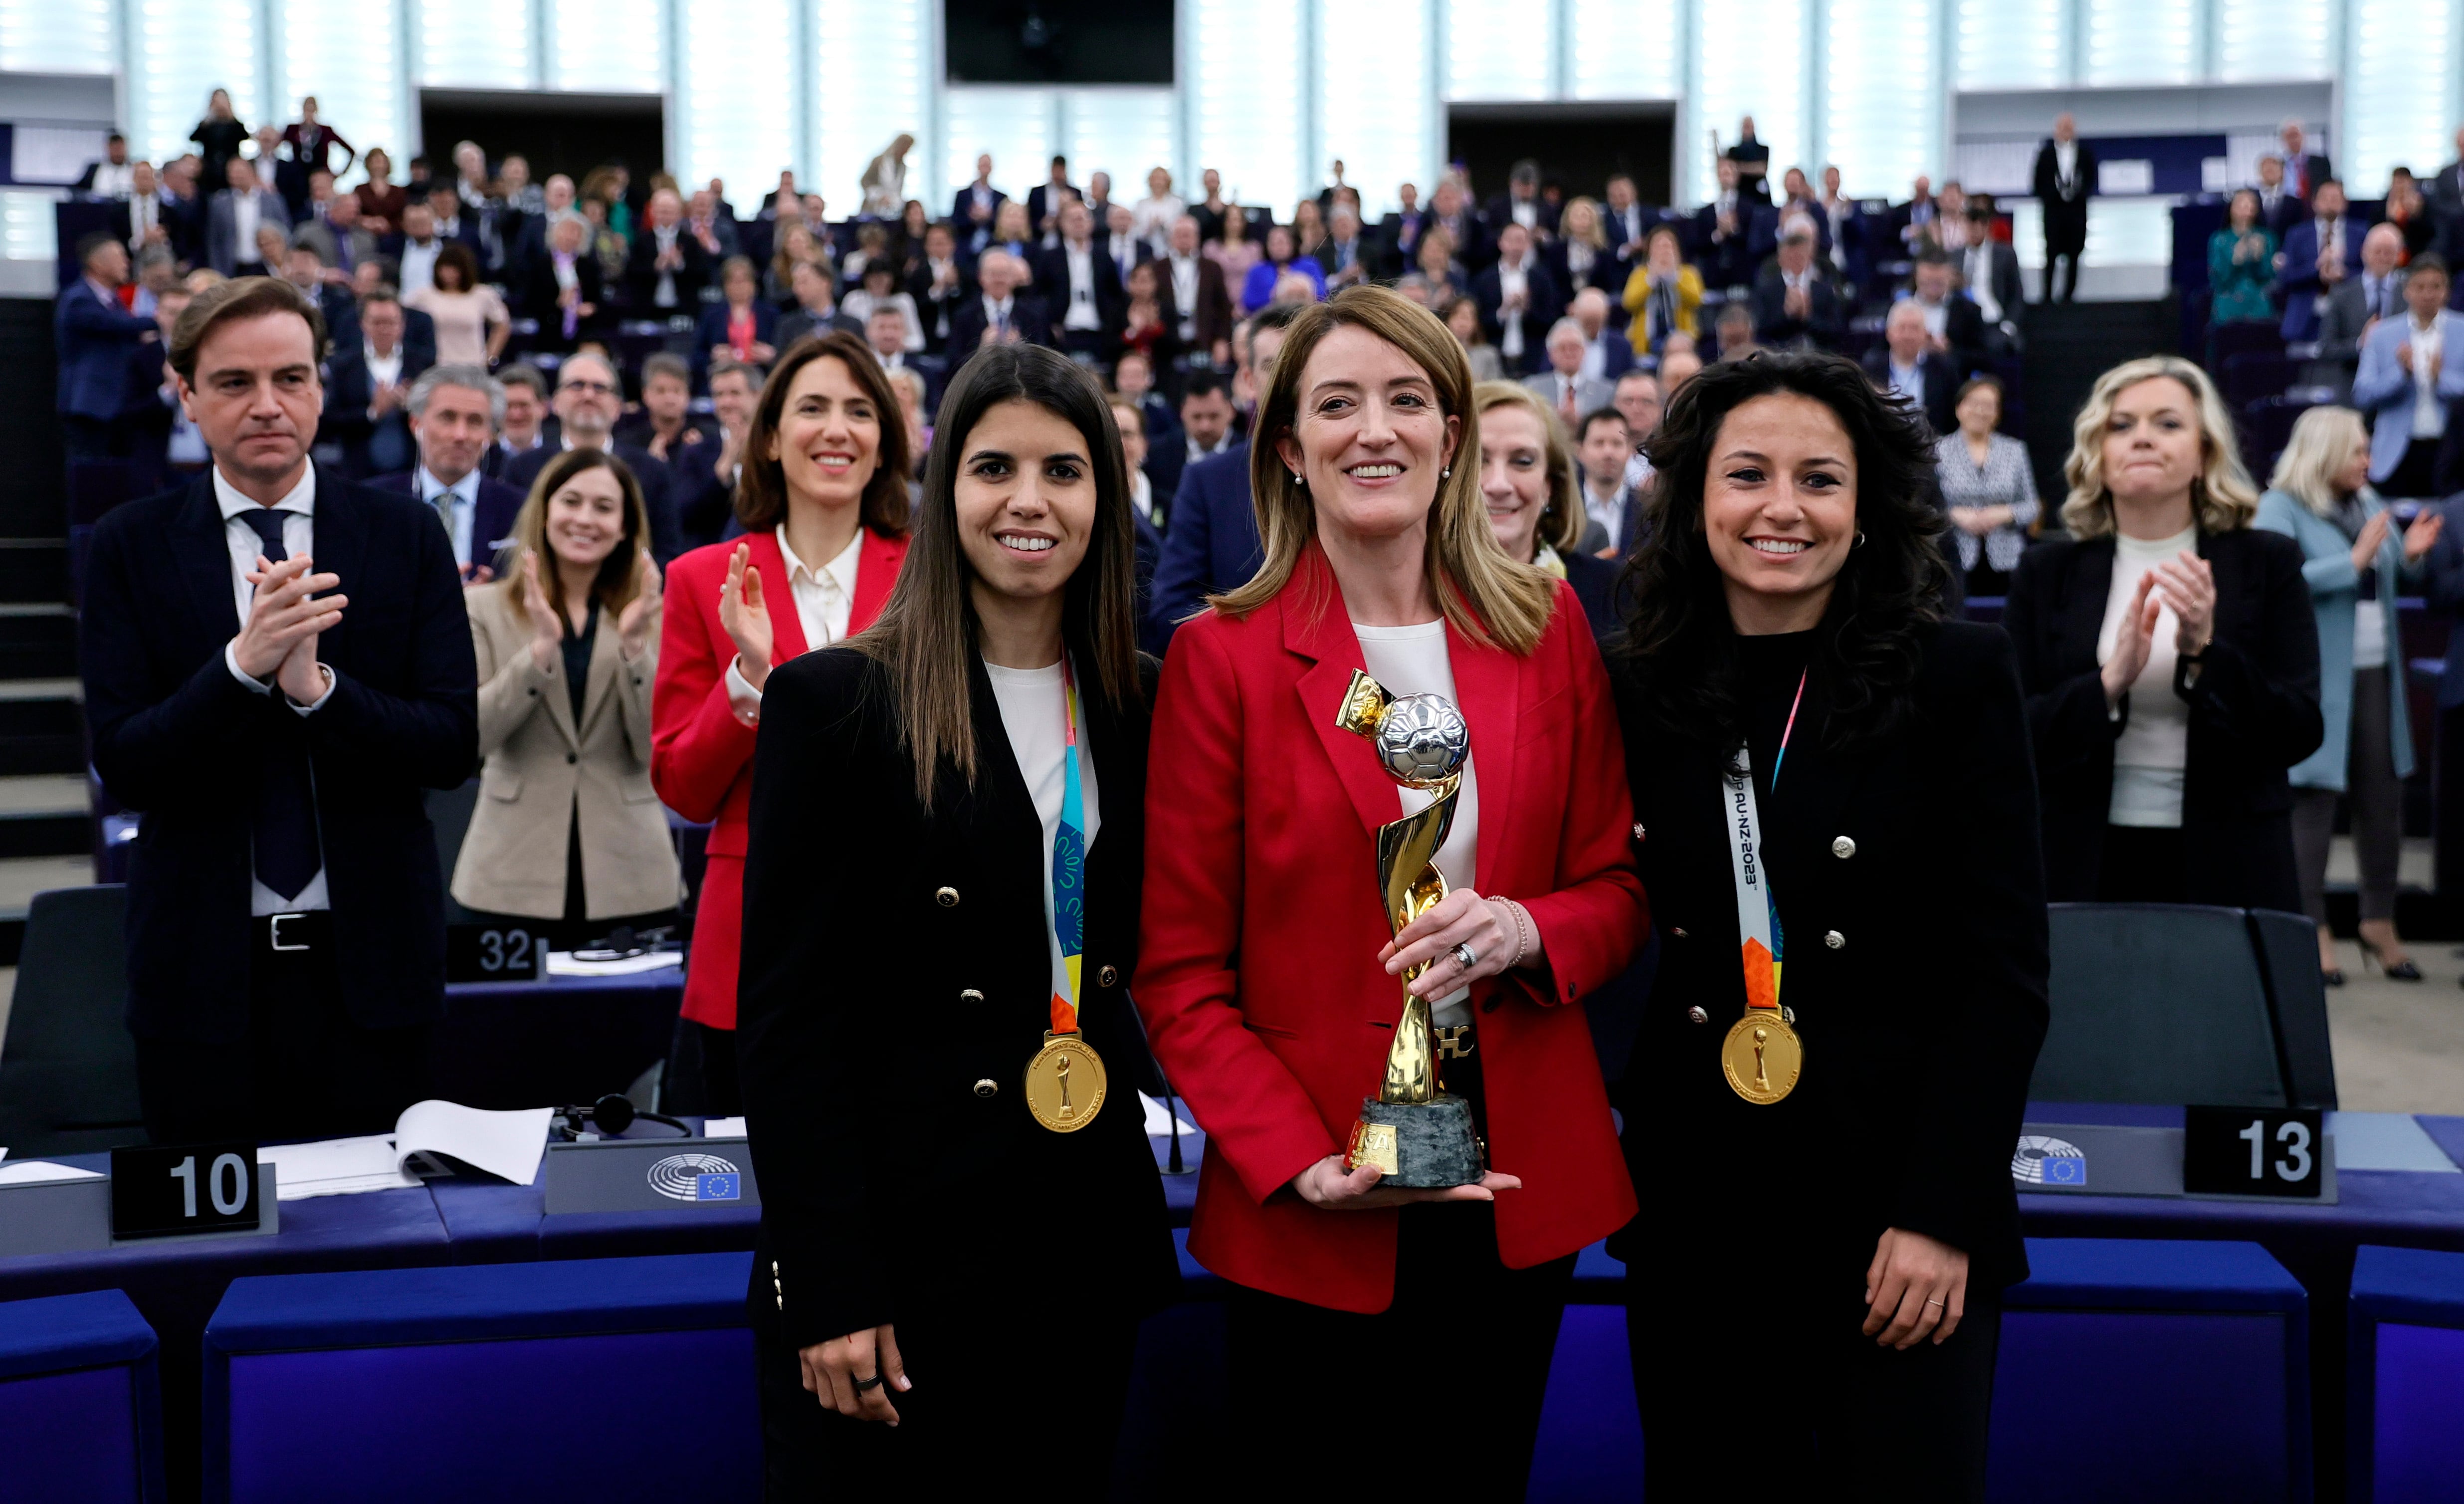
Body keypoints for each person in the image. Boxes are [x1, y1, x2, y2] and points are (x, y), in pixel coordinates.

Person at [1135, 286, 1643, 1497]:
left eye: (1406, 399)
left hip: (1514, 1183)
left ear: (1452, 437)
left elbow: (1616, 887)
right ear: (1289, 450)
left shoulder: (1545, 625)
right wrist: (1298, 1158)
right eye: (1336, 403)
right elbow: (1178, 970)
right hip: (1319, 1192)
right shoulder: (1221, 657)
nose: (1375, 429)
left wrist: (1526, 924)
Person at [1604, 349, 2047, 1499]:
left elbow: (2000, 974)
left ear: (1866, 509)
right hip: (1698, 1209)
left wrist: (1939, 1211)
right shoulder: (1633, 684)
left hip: (1894, 1213)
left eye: (1819, 479)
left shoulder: (1954, 674)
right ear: (1696, 496)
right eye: (1746, 474)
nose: (1781, 509)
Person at [738, 338, 1172, 1493]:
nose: (1028, 502)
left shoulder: (1143, 699)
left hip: (1076, 1241)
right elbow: (787, 1025)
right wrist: (829, 1284)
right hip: (892, 1258)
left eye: (1063, 472)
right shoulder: (832, 701)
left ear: (1105, 499)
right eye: (993, 468)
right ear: (943, 495)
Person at [80, 275, 477, 1145]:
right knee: (210, 1266)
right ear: (185, 394)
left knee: (384, 1251)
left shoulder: (405, 535)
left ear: (320, 386)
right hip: (199, 976)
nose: (268, 404)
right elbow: (125, 761)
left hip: (374, 968)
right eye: (234, 383)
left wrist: (319, 692)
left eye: (290, 378)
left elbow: (451, 746)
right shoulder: (126, 547)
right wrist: (242, 669)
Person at [652, 332, 912, 1114]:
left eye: (860, 411)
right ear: (769, 437)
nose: (837, 429)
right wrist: (751, 677)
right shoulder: (702, 579)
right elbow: (685, 787)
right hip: (752, 946)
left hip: (908, 941)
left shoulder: (936, 574)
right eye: (813, 408)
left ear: (882, 443)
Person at [2002, 356, 2322, 907]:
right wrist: (2106, 684)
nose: (2142, 439)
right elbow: (2008, 736)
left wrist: (2204, 654)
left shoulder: (2266, 562)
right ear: (2097, 456)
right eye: (2121, 426)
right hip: (2075, 861)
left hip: (2232, 862)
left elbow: (2297, 731)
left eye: (2167, 424)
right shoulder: (2045, 572)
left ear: (2203, 453)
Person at [454, 447, 680, 944]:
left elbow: (653, 750)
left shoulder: (653, 615)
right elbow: (471, 739)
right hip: (508, 873)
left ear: (625, 527)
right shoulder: (481, 608)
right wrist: (539, 651)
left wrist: (635, 648)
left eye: (604, 508)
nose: (584, 519)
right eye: (571, 502)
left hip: (630, 874)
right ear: (545, 511)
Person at [2256, 407, 2441, 983]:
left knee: (2381, 801)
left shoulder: (2367, 500)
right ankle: (2312, 929)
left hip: (2375, 672)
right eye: (2358, 451)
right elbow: (2273, 582)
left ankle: (2377, 921)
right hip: (2315, 679)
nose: (2368, 461)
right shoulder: (2278, 507)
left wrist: (2405, 554)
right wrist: (2352, 561)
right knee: (2311, 804)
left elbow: (2385, 579)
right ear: (2326, 452)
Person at [1146, 305, 1301, 645]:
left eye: (1301, 364)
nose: (1288, 379)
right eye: (1273, 366)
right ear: (1248, 380)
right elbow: (1171, 611)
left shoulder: (1363, 475)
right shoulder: (1208, 482)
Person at [1477, 382, 1622, 639]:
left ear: (1550, 485)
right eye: (1478, 460)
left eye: (1522, 462)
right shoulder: (1409, 597)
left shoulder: (1612, 593)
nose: (1498, 485)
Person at [505, 353, 682, 560]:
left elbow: (666, 552)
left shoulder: (652, 472)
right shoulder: (523, 467)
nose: (588, 395)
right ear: (556, 403)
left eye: (600, 388)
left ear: (617, 407)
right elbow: (514, 548)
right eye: (577, 386)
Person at [371, 364, 527, 579]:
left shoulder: (520, 509)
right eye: (448, 418)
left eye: (475, 421)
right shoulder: (375, 502)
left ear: (490, 435)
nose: (460, 434)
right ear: (416, 424)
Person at [2352, 255, 2464, 497]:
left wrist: (2440, 379)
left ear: (2447, 291)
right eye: (2420, 287)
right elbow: (2362, 393)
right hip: (2396, 454)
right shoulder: (2382, 334)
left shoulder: (2461, 330)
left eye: (2436, 286)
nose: (2428, 294)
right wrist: (2400, 375)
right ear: (2407, 291)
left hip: (2452, 451)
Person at [55, 232, 160, 460]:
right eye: (120, 256)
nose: (127, 263)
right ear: (97, 264)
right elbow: (116, 325)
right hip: (90, 405)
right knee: (90, 473)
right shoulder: (78, 299)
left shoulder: (113, 300)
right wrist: (163, 319)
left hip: (116, 406)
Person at [1934, 376, 2040, 597]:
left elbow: (2032, 506)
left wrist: (2005, 513)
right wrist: (1955, 515)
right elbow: (1925, 507)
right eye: (1973, 403)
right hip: (1953, 556)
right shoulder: (1938, 452)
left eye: (1989, 405)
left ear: (1998, 413)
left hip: (2007, 559)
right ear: (1958, 409)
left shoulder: (2015, 451)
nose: (1980, 411)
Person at [321, 290, 432, 478]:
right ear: (363, 324)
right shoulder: (343, 366)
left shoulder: (423, 364)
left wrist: (410, 406)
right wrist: (372, 413)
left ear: (402, 325)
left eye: (391, 322)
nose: (384, 329)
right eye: (377, 322)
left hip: (412, 473)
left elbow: (434, 415)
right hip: (358, 474)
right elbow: (329, 421)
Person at [2308, 223, 2408, 402]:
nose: (2383, 257)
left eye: (2389, 252)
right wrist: (2360, 344)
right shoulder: (2341, 294)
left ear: (2398, 256)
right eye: (2378, 251)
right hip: (2351, 391)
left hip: (2398, 393)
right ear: (2364, 252)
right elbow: (2326, 349)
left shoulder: (2408, 295)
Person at [2278, 179, 2364, 344]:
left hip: (2349, 318)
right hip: (2305, 319)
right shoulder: (2297, 235)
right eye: (2325, 198)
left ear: (2345, 203)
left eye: (2336, 198)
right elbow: (2285, 277)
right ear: (2314, 203)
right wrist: (2316, 269)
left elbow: (2369, 273)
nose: (2331, 203)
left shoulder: (2360, 233)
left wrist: (2345, 274)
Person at [1472, 222, 1560, 375]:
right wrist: (1503, 311)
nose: (1515, 246)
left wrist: (1527, 308)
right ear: (1501, 243)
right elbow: (1479, 320)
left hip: (1531, 356)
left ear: (1528, 244)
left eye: (1520, 241)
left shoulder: (1540, 278)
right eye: (1511, 240)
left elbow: (1550, 318)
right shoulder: (1485, 279)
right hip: (1496, 353)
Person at [404, 241, 508, 368]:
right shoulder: (423, 296)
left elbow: (502, 325)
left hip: (472, 367)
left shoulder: (483, 295)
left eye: (454, 269)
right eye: (444, 268)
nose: (448, 274)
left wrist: (490, 357)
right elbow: (400, 314)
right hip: (435, 367)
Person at [1863, 300, 1958, 437]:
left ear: (1925, 334)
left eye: (1915, 328)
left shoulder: (1944, 369)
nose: (1908, 335)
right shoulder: (1871, 369)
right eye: (1902, 328)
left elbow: (1951, 419)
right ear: (1889, 333)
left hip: (1933, 447)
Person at [2031, 113, 2097, 303]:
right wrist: (2054, 194)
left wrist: (2076, 194)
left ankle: (2069, 296)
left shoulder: (2085, 154)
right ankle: (2047, 296)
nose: (2066, 132)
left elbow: (2091, 180)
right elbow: (2037, 184)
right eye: (2063, 128)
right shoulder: (2045, 155)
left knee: (2075, 253)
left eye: (2069, 128)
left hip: (2076, 213)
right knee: (2051, 252)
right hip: (2053, 212)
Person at [1752, 224, 1845, 352]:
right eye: (1791, 258)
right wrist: (1787, 315)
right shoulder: (1767, 291)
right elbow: (1761, 331)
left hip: (1818, 357)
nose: (1796, 262)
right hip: (1778, 357)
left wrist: (1807, 317)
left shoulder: (1824, 290)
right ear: (1780, 259)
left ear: (1809, 258)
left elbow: (1836, 332)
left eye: (1800, 258)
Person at [2208, 189, 2281, 336]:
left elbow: (2269, 276)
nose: (2247, 208)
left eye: (2251, 204)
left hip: (2258, 305)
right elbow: (2219, 280)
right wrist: (2235, 261)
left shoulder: (2267, 238)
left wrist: (2258, 259)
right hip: (2228, 307)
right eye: (2242, 204)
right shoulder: (2219, 240)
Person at [696, 255, 780, 381]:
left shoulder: (771, 314)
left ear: (753, 284)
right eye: (734, 281)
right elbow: (697, 356)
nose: (739, 286)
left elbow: (785, 351)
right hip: (722, 378)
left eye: (744, 280)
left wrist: (772, 356)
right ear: (725, 285)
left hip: (762, 379)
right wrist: (713, 357)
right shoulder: (712, 315)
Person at [1575, 406, 1644, 557]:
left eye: (1617, 443)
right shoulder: (1564, 507)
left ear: (1629, 450)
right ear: (1580, 450)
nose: (1608, 452)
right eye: (1599, 443)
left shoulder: (1649, 510)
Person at [1623, 226, 1700, 358]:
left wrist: (1674, 278)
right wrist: (1652, 279)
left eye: (1668, 247)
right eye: (1658, 247)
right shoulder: (1640, 275)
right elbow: (1629, 303)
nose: (1664, 251)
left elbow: (1696, 300)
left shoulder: (1688, 274)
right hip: (1646, 342)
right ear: (1649, 251)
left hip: (1680, 341)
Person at [629, 188, 710, 315]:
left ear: (679, 213)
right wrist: (655, 267)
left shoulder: (690, 241)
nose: (666, 215)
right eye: (662, 211)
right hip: (648, 308)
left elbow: (703, 274)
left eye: (670, 211)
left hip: (684, 308)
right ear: (653, 212)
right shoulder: (642, 240)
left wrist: (680, 265)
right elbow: (631, 273)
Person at [1524, 318, 1615, 429]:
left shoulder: (1607, 392)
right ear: (1550, 354)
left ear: (1584, 351)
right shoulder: (1532, 388)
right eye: (1562, 348)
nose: (1568, 353)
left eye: (1574, 347)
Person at [207, 158, 289, 277]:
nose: (235, 175)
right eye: (231, 172)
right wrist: (218, 269)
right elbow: (214, 240)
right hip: (233, 267)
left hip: (267, 265)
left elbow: (285, 232)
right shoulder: (219, 203)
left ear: (253, 172)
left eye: (240, 171)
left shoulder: (273, 200)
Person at [1241, 222, 1326, 317]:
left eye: (1282, 242)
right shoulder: (1257, 270)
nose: (1279, 248)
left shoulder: (1310, 265)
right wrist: (1275, 295)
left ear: (1293, 243)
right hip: (1268, 320)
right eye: (1274, 243)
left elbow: (1322, 295)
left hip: (1306, 318)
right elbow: (1249, 303)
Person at [190, 89, 248, 199]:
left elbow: (245, 136)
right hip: (209, 171)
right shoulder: (208, 125)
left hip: (230, 169)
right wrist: (209, 117)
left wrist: (231, 115)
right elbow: (193, 137)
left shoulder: (234, 125)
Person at [1442, 295, 1505, 381]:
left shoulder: (1488, 355)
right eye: (1457, 316)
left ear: (1476, 324)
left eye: (1468, 317)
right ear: (1447, 320)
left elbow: (1496, 389)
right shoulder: (1439, 353)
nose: (1462, 323)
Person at [857, 134, 912, 219]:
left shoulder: (902, 167)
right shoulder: (879, 162)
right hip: (873, 208)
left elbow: (898, 190)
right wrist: (880, 196)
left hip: (892, 209)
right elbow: (864, 182)